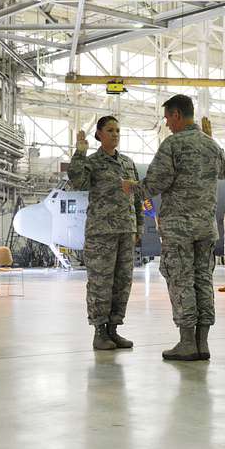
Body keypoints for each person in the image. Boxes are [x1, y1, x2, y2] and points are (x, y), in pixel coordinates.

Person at [123, 94, 225, 361]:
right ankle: (202, 344)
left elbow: (154, 184)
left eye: (168, 118)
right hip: (206, 229)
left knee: (181, 282)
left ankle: (186, 343)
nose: (167, 124)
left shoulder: (173, 145)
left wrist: (132, 188)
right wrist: (212, 140)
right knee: (203, 282)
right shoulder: (210, 145)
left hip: (179, 230)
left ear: (177, 115)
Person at [67, 115, 143, 350]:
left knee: (122, 283)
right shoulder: (91, 162)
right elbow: (78, 182)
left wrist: (138, 226)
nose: (115, 134)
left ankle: (113, 329)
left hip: (125, 231)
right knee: (101, 282)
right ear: (99, 134)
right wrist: (79, 153)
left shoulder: (128, 164)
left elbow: (137, 197)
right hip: (101, 233)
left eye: (118, 130)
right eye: (110, 130)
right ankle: (100, 331)